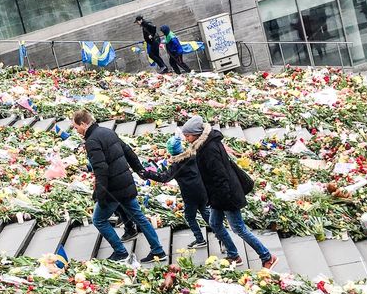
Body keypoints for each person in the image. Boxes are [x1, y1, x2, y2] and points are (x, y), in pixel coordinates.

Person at [72, 108, 167, 263]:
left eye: (76, 127)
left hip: (113, 189)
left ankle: (120, 252)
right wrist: (139, 170)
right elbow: (127, 151)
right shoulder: (107, 131)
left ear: (83, 124)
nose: (76, 131)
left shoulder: (92, 141)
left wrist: (101, 195)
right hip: (126, 182)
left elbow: (101, 169)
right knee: (140, 217)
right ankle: (158, 250)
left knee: (99, 220)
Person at [182, 116, 277, 270]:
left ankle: (267, 256)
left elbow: (220, 177)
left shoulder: (208, 149)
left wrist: (223, 200)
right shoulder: (205, 144)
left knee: (239, 228)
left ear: (197, 134)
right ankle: (233, 255)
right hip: (218, 196)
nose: (186, 139)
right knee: (214, 223)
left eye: (187, 136)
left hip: (226, 196)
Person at [142, 134, 233, 250]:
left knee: (190, 217)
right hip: (202, 191)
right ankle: (222, 238)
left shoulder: (176, 165)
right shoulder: (192, 156)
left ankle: (200, 239)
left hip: (190, 195)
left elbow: (164, 178)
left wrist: (148, 174)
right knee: (206, 213)